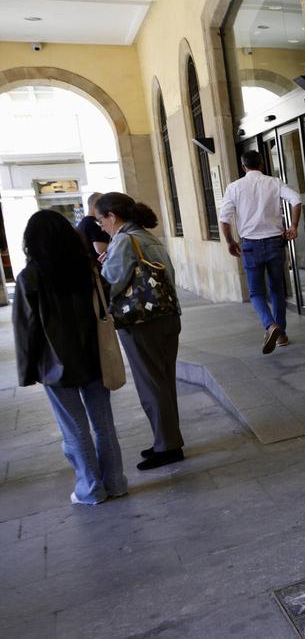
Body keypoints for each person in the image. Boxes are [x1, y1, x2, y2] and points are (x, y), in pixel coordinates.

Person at [14, 209, 128, 505]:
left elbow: (26, 328)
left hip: (55, 364)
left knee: (74, 428)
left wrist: (27, 371)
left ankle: (91, 488)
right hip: (95, 356)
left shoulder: (30, 277)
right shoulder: (87, 269)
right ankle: (116, 482)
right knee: (103, 423)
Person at [97, 193, 185, 471]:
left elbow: (110, 284)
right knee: (164, 381)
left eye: (101, 220)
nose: (101, 226)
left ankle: (167, 446)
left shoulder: (124, 240)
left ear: (112, 217)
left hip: (141, 321)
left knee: (151, 383)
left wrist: (103, 267)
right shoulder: (146, 236)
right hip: (167, 315)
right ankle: (168, 439)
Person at [218, 149, 303, 353]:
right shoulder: (274, 182)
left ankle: (270, 325)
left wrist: (230, 242)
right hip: (275, 243)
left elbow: (224, 219)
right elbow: (296, 199)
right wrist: (293, 226)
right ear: (262, 164)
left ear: (243, 166)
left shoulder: (234, 187)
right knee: (277, 289)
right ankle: (281, 335)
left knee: (256, 292)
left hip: (250, 246)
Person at [77, 193, 111, 265]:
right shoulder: (93, 223)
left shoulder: (83, 223)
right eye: (104, 204)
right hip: (100, 266)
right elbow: (100, 249)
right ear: (96, 205)